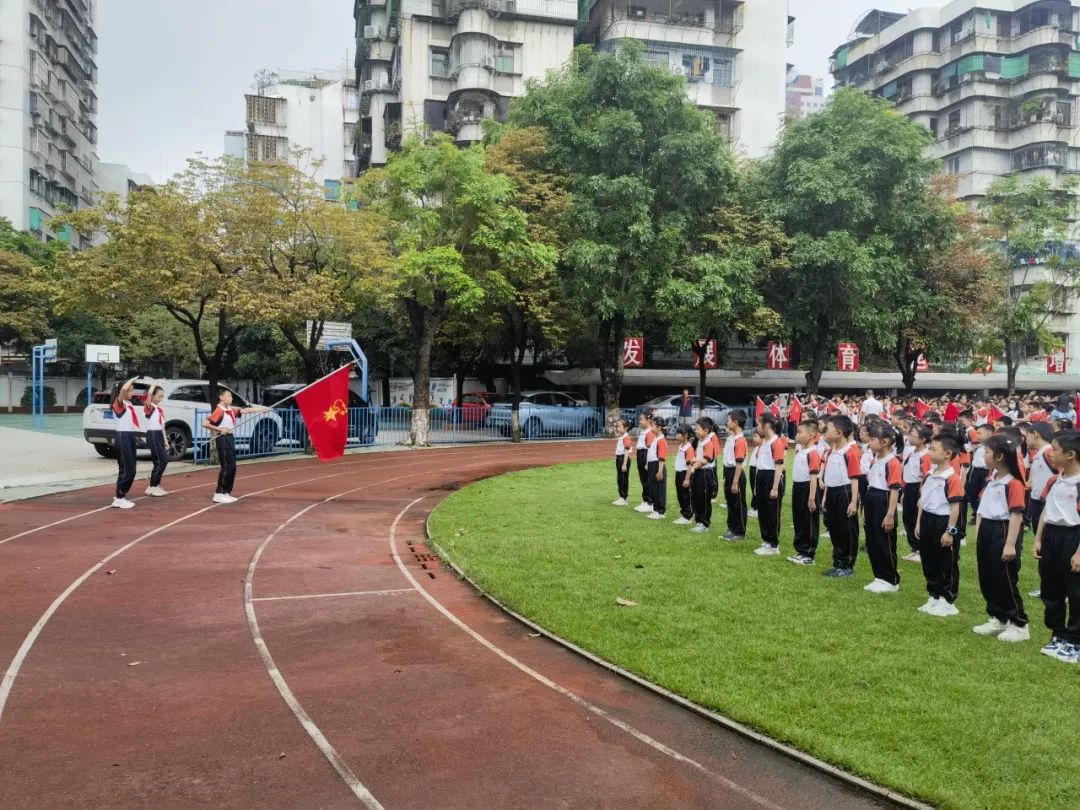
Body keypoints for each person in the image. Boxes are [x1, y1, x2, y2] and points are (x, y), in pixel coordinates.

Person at [972, 434, 1029, 642]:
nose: (983, 455)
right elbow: (981, 510)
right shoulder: (991, 479)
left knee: (1004, 577)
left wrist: (1010, 544)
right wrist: (979, 534)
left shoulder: (1013, 483)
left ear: (999, 457)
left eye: (986, 452)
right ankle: (998, 617)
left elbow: (1016, 514)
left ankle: (1019, 623)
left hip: (1003, 530)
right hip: (987, 528)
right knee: (987, 576)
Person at [1033, 430, 1080, 663]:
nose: (1050, 454)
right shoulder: (1054, 479)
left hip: (1073, 537)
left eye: (1055, 450)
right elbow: (1046, 510)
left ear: (1071, 454)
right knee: (1051, 587)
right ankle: (1058, 633)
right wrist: (1039, 538)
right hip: (1051, 535)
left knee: (1076, 591)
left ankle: (1075, 640)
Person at [915, 434, 965, 617]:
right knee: (929, 559)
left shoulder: (952, 478)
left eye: (933, 449)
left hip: (943, 521)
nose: (930, 452)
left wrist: (949, 532)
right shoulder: (929, 475)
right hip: (928, 518)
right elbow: (923, 500)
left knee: (946, 562)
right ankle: (934, 595)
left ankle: (947, 599)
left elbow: (955, 507)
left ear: (947, 454)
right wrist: (919, 522)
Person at [203, 389, 271, 504]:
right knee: (226, 466)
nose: (232, 398)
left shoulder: (229, 410)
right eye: (229, 396)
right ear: (221, 397)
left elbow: (246, 410)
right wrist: (220, 429)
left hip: (230, 438)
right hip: (222, 438)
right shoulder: (219, 410)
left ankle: (226, 492)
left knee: (232, 466)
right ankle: (219, 493)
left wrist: (261, 409)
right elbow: (206, 423)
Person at [863, 421, 904, 594]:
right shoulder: (875, 460)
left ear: (885, 442)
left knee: (884, 541)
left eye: (873, 439)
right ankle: (879, 576)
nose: (869, 443)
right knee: (873, 540)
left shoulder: (892, 462)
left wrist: (890, 514)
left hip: (884, 500)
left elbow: (894, 490)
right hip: (872, 497)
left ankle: (890, 579)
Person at [821, 415, 863, 578]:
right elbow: (830, 476)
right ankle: (837, 562)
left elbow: (854, 478)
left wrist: (853, 502)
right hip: (832, 491)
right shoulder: (832, 450)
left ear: (838, 433)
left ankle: (847, 565)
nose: (825, 431)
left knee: (847, 529)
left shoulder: (850, 452)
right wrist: (826, 495)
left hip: (845, 492)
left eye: (828, 428)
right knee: (835, 528)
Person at [788, 419, 822, 566]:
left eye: (800, 432)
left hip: (808, 488)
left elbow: (813, 477)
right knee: (799, 519)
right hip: (798, 487)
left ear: (811, 435)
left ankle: (808, 553)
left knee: (808, 520)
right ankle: (800, 549)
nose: (797, 434)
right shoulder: (800, 451)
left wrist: (811, 497)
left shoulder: (813, 453)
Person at [753, 413, 786, 557]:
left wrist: (774, 487)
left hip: (771, 477)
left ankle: (773, 545)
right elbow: (759, 466)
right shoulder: (764, 443)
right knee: (763, 511)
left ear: (766, 426)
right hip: (761, 476)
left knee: (772, 512)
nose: (757, 427)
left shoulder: (776, 442)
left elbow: (779, 466)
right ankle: (766, 540)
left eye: (759, 424)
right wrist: (756, 484)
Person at [902, 424, 933, 563]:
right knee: (908, 517)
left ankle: (921, 549)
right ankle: (914, 548)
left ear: (923, 439)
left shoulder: (925, 456)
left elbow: (925, 476)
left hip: (918, 489)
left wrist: (922, 495)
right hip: (909, 487)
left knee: (917, 518)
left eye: (913, 433)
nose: (910, 435)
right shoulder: (911, 453)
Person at [110, 378, 141, 509]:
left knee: (132, 469)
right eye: (131, 390)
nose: (132, 392)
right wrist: (132, 379)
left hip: (130, 436)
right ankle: (119, 497)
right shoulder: (118, 403)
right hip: (122, 436)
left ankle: (121, 494)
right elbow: (122, 389)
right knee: (126, 469)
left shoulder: (128, 404)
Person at [1023, 422, 1056, 533]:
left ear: (1035, 434)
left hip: (1047, 503)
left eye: (1027, 435)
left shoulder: (1050, 453)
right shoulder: (1039, 454)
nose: (1025, 439)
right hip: (1037, 501)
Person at [721, 410, 748, 541]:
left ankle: (740, 531)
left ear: (736, 423)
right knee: (731, 502)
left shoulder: (740, 441)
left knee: (738, 502)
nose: (727, 422)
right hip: (729, 471)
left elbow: (739, 462)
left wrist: (735, 481)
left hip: (736, 472)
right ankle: (732, 527)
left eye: (729, 420)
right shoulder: (732, 438)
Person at [689, 417, 717, 533]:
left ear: (706, 431)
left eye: (698, 429)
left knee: (704, 499)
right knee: (697, 497)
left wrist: (694, 461)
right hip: (698, 473)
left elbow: (706, 460)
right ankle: (699, 521)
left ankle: (705, 523)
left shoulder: (708, 443)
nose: (695, 431)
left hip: (705, 473)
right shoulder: (700, 442)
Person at [142, 383, 170, 497]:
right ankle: (152, 486)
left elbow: (162, 426)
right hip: (152, 435)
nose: (161, 398)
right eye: (159, 396)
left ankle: (155, 485)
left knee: (159, 461)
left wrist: (165, 441)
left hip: (158, 434)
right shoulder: (149, 406)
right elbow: (148, 396)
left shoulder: (159, 409)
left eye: (162, 396)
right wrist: (153, 385)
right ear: (152, 396)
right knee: (162, 460)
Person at [672, 425, 696, 525]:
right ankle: (684, 514)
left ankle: (688, 516)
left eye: (679, 434)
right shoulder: (681, 446)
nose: (676, 435)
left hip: (685, 474)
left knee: (686, 495)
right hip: (679, 473)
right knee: (680, 495)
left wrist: (686, 479)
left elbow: (690, 465)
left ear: (685, 435)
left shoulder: (688, 448)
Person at [646, 415, 668, 520]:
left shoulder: (661, 440)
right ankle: (655, 509)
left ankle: (661, 511)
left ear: (659, 427)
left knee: (659, 489)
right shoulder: (656, 438)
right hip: (652, 465)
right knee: (654, 488)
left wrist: (660, 471)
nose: (651, 428)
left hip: (657, 466)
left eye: (653, 426)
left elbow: (662, 457)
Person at [633, 412, 655, 513]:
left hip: (645, 456)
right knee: (643, 479)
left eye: (642, 419)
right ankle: (645, 500)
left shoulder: (649, 433)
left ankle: (650, 502)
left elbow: (649, 449)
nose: (640, 421)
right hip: (640, 455)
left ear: (648, 420)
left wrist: (647, 463)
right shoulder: (643, 431)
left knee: (647, 480)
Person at [612, 418, 633, 506]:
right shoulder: (622, 437)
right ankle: (623, 496)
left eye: (620, 426)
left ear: (626, 428)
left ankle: (623, 497)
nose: (618, 428)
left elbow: (626, 451)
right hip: (620, 458)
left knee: (623, 479)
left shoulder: (626, 437)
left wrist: (624, 463)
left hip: (623, 459)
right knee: (621, 478)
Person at [746, 430, 761, 519]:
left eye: (756, 436)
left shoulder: (761, 448)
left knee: (756, 489)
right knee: (753, 488)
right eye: (753, 436)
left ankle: (757, 508)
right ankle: (754, 506)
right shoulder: (756, 448)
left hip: (756, 469)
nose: (753, 438)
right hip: (752, 469)